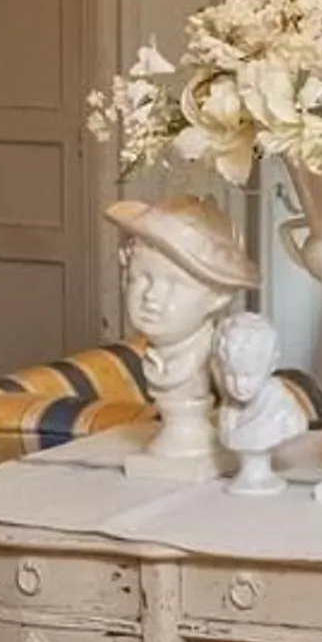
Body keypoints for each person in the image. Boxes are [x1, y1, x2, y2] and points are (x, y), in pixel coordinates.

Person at [108, 198, 257, 480]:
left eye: (173, 283)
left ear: (218, 295)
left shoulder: (222, 360)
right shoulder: (150, 354)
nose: (151, 296)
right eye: (140, 277)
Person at [213, 310, 308, 496]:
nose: (239, 386)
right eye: (231, 375)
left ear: (271, 365)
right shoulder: (227, 410)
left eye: (249, 375)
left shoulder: (285, 413)